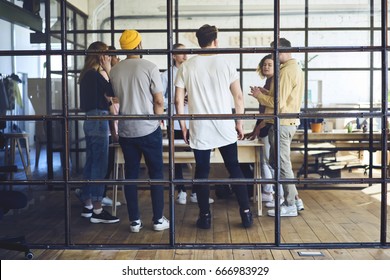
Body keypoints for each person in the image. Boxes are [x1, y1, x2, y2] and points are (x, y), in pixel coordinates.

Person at [175, 24, 253, 229]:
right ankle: (246, 214)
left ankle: (205, 217)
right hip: (224, 124)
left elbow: (177, 101)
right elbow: (238, 97)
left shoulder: (186, 66)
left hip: (199, 127)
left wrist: (183, 125)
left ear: (198, 42)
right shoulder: (226, 63)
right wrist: (239, 123)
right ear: (215, 41)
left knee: (201, 171)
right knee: (234, 167)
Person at [110, 29, 169, 233]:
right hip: (148, 127)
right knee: (156, 174)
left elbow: (116, 98)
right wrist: (159, 120)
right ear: (139, 45)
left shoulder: (115, 70)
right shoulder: (150, 66)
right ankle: (158, 220)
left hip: (126, 130)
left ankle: (135, 221)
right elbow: (159, 100)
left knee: (131, 175)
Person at [249, 38, 304, 217]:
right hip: (283, 123)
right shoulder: (291, 68)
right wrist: (265, 93)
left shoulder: (287, 71)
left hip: (282, 123)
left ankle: (290, 204)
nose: (271, 56)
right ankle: (294, 200)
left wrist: (259, 96)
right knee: (278, 163)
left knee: (281, 164)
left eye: (273, 52)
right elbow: (283, 98)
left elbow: (278, 103)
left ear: (280, 51)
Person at [161, 43, 214, 205]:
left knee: (200, 158)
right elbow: (158, 99)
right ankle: (181, 191)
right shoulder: (166, 75)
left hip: (194, 122)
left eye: (187, 52)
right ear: (173, 56)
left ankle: (196, 192)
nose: (185, 56)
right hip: (176, 123)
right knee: (175, 159)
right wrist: (175, 100)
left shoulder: (194, 72)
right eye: (181, 53)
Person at [78, 41, 120, 224]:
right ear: (99, 56)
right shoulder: (95, 75)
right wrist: (108, 69)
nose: (109, 57)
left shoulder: (86, 75)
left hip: (90, 119)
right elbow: (114, 91)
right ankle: (97, 209)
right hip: (98, 119)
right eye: (106, 54)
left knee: (91, 162)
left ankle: (88, 204)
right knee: (99, 164)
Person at [244, 55, 284, 206]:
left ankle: (275, 194)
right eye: (264, 65)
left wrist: (260, 95)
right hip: (264, 124)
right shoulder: (269, 82)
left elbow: (274, 106)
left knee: (269, 162)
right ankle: (268, 192)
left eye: (269, 64)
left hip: (270, 125)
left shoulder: (276, 81)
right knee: (264, 161)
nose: (266, 67)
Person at [101, 45, 121, 207]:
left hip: (113, 126)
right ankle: (99, 195)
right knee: (105, 164)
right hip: (108, 127)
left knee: (109, 163)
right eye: (115, 57)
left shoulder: (113, 75)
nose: (118, 59)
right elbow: (109, 100)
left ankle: (99, 193)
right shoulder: (105, 75)